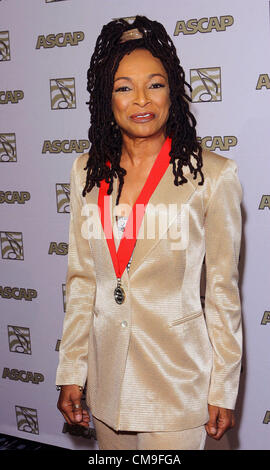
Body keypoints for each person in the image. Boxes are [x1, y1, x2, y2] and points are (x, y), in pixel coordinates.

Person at [56, 15, 243, 450]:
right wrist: (71, 371)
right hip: (106, 386)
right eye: (124, 87)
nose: (141, 99)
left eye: (154, 84)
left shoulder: (213, 175)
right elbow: (83, 280)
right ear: (107, 98)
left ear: (173, 92)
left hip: (178, 384)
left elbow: (222, 291)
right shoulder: (86, 170)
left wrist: (223, 388)